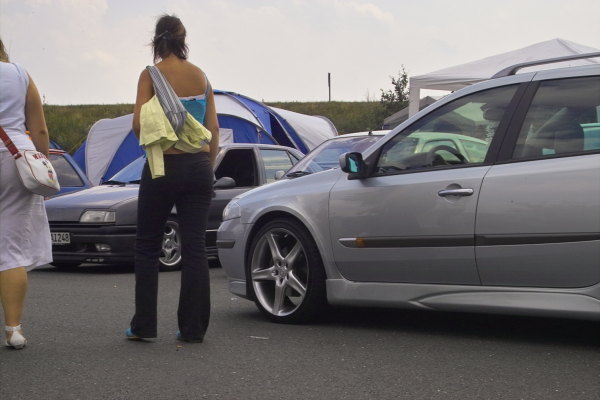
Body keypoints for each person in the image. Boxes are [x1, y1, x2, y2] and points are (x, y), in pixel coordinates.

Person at [127, 14, 219, 343]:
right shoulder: (201, 76)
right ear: (183, 39)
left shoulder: (150, 75)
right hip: (199, 166)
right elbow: (213, 129)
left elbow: (138, 124)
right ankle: (193, 329)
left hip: (163, 165)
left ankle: (144, 326)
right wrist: (207, 165)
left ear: (156, 40)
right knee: (195, 247)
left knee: (147, 245)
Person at [0, 37, 52, 349]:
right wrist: (42, 165)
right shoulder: (19, 73)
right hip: (15, 157)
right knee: (10, 249)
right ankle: (13, 330)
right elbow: (40, 128)